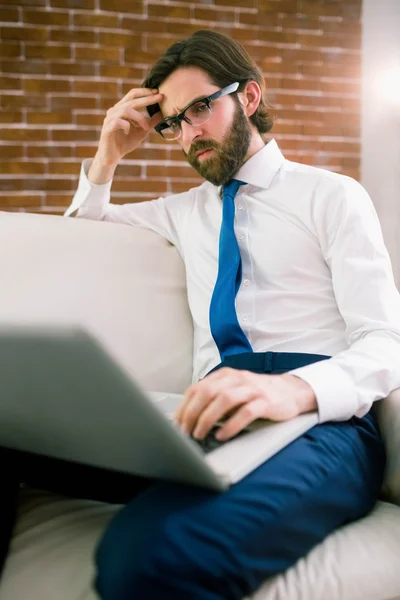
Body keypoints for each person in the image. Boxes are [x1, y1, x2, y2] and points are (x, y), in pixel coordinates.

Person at [62, 28, 400, 599]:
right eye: (173, 121)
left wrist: (293, 390)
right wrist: (107, 154)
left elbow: (384, 340)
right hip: (207, 411)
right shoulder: (182, 211)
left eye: (200, 108)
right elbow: (76, 240)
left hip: (317, 420)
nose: (189, 132)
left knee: (152, 557)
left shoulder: (333, 196)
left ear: (248, 97)